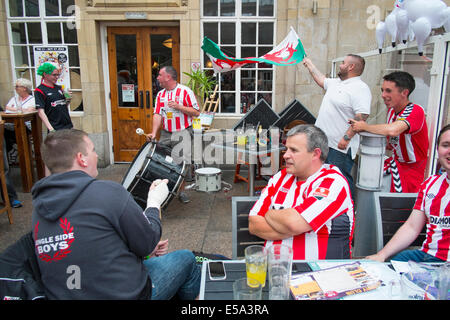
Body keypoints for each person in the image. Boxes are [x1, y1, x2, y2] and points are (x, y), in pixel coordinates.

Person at [32, 129, 200, 299]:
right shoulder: (108, 192)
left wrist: (143, 253)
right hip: (126, 295)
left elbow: (88, 246)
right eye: (93, 150)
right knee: (187, 259)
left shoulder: (40, 208)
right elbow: (148, 241)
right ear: (81, 159)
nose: (96, 156)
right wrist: (154, 203)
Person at [248, 124, 354, 260]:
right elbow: (254, 224)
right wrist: (293, 228)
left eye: (294, 150)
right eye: (286, 149)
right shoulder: (280, 177)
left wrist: (269, 213)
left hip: (318, 274)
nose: (285, 155)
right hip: (273, 270)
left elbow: (293, 223)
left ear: (315, 154)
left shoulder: (332, 181)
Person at [366, 124, 450, 263]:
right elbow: (412, 227)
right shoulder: (430, 184)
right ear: (437, 150)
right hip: (427, 257)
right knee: (389, 267)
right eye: (445, 145)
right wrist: (381, 255)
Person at [302, 55, 371, 197]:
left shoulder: (360, 88)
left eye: (343, 63)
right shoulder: (336, 83)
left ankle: (348, 211)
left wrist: (346, 138)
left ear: (351, 67)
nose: (340, 65)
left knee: (341, 180)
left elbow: (362, 117)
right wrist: (309, 64)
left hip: (339, 147)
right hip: (322, 142)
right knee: (322, 179)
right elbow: (321, 80)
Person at [349, 71, 429, 193]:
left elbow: (393, 130)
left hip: (411, 172)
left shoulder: (415, 111)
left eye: (388, 91)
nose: (383, 95)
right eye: (382, 90)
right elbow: (390, 141)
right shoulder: (392, 111)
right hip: (395, 165)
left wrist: (365, 127)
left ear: (404, 93)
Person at [146, 66, 200, 203]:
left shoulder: (185, 91)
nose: (157, 78)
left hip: (183, 132)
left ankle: (181, 192)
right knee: (159, 159)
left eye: (159, 75)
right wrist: (153, 132)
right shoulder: (160, 95)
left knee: (182, 163)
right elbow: (157, 114)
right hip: (166, 133)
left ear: (168, 77)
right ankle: (162, 190)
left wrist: (179, 106)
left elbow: (196, 112)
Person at [4, 78, 36, 164]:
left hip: (26, 126)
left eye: (17, 86)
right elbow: (7, 108)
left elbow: (30, 110)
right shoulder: (14, 98)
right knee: (3, 130)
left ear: (24, 88)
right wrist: (19, 109)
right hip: (11, 125)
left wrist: (14, 109)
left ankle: (17, 150)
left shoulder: (32, 99)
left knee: (15, 130)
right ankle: (13, 149)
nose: (15, 88)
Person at [34, 62, 73, 132]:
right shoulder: (39, 90)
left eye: (58, 75)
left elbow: (64, 105)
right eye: (54, 75)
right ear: (45, 74)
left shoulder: (59, 88)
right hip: (55, 127)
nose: (57, 77)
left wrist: (68, 99)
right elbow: (40, 111)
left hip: (67, 125)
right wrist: (50, 128)